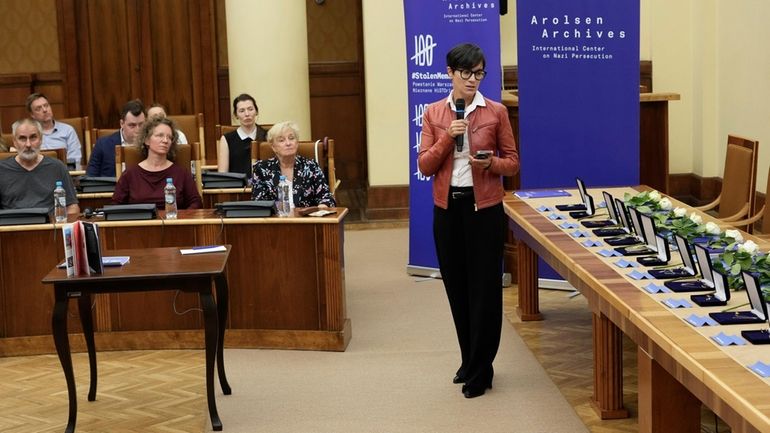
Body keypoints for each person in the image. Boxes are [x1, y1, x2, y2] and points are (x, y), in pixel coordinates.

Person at [417, 43, 519, 399]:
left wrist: (491, 164)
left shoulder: (496, 112)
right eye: (466, 73)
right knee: (458, 289)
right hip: (447, 210)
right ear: (450, 72)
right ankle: (469, 359)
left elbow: (513, 162)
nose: (473, 80)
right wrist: (449, 137)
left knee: (485, 291)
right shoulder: (433, 113)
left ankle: (481, 369)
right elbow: (425, 166)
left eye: (479, 73)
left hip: (485, 210)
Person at [112, 117, 202, 210]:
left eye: (169, 137)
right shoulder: (130, 174)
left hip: (173, 222)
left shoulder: (181, 173)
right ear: (147, 140)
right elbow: (115, 206)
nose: (165, 141)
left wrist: (180, 219)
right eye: (160, 135)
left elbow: (196, 202)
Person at [0, 118, 79, 215]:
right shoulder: (1, 169)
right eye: (22, 138)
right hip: (11, 228)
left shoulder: (57, 167)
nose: (28, 144)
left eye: (33, 137)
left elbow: (72, 207)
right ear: (14, 142)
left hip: (49, 227)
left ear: (41, 139)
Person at [251, 121, 335, 208]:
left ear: (297, 142)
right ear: (273, 147)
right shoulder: (261, 168)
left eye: (291, 138)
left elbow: (327, 198)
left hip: (307, 220)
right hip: (275, 220)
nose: (288, 143)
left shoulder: (311, 166)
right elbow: (258, 202)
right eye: (281, 140)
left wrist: (322, 207)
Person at [86, 99, 146, 177]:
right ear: (122, 123)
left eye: (141, 125)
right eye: (132, 125)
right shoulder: (103, 145)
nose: (138, 130)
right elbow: (90, 178)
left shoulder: (151, 144)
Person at [26, 93, 82, 168]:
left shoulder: (68, 130)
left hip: (63, 173)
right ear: (32, 115)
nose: (45, 110)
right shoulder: (29, 134)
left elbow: (75, 159)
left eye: (46, 105)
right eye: (38, 108)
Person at [217, 93, 267, 176]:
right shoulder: (227, 139)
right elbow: (223, 174)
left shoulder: (267, 136)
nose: (247, 114)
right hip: (236, 187)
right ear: (236, 115)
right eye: (242, 111)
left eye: (250, 109)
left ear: (256, 111)